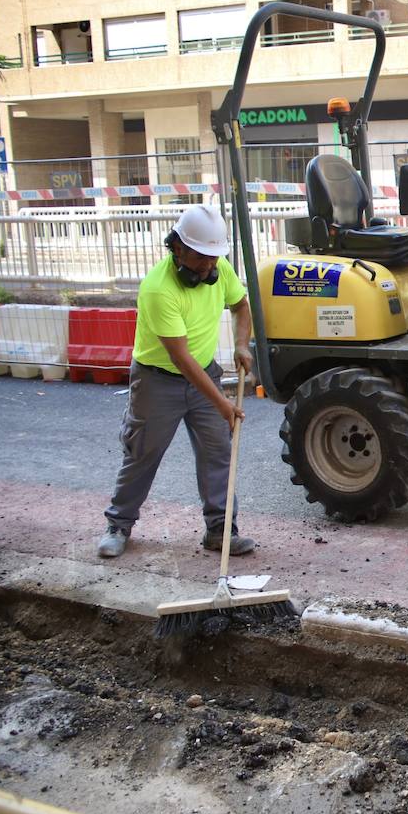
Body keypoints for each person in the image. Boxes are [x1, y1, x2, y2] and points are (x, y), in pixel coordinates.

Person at [97, 205, 258, 559]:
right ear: (178, 248)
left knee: (218, 453)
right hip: (158, 382)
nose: (208, 267)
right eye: (201, 258)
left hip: (204, 372)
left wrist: (242, 344)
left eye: (214, 259)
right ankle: (119, 524)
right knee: (143, 454)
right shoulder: (158, 289)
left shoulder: (220, 268)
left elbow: (241, 305)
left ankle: (220, 529)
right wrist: (222, 403)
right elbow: (180, 358)